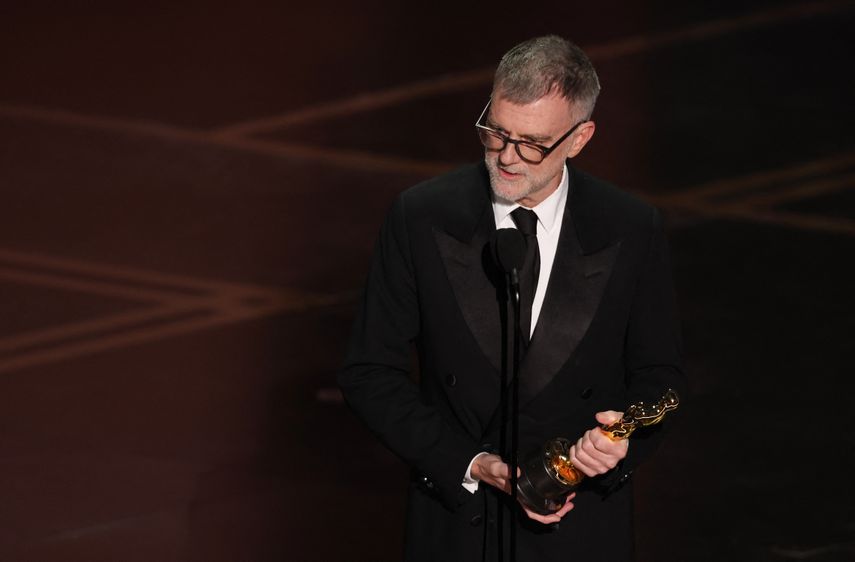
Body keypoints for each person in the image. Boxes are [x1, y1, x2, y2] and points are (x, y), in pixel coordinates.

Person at [339, 35, 686, 562]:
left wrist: (622, 441)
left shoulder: (630, 228)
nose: (505, 158)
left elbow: (662, 377)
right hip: (457, 525)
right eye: (496, 133)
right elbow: (370, 371)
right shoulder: (421, 216)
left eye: (532, 143)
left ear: (580, 137)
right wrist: (471, 462)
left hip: (580, 528)